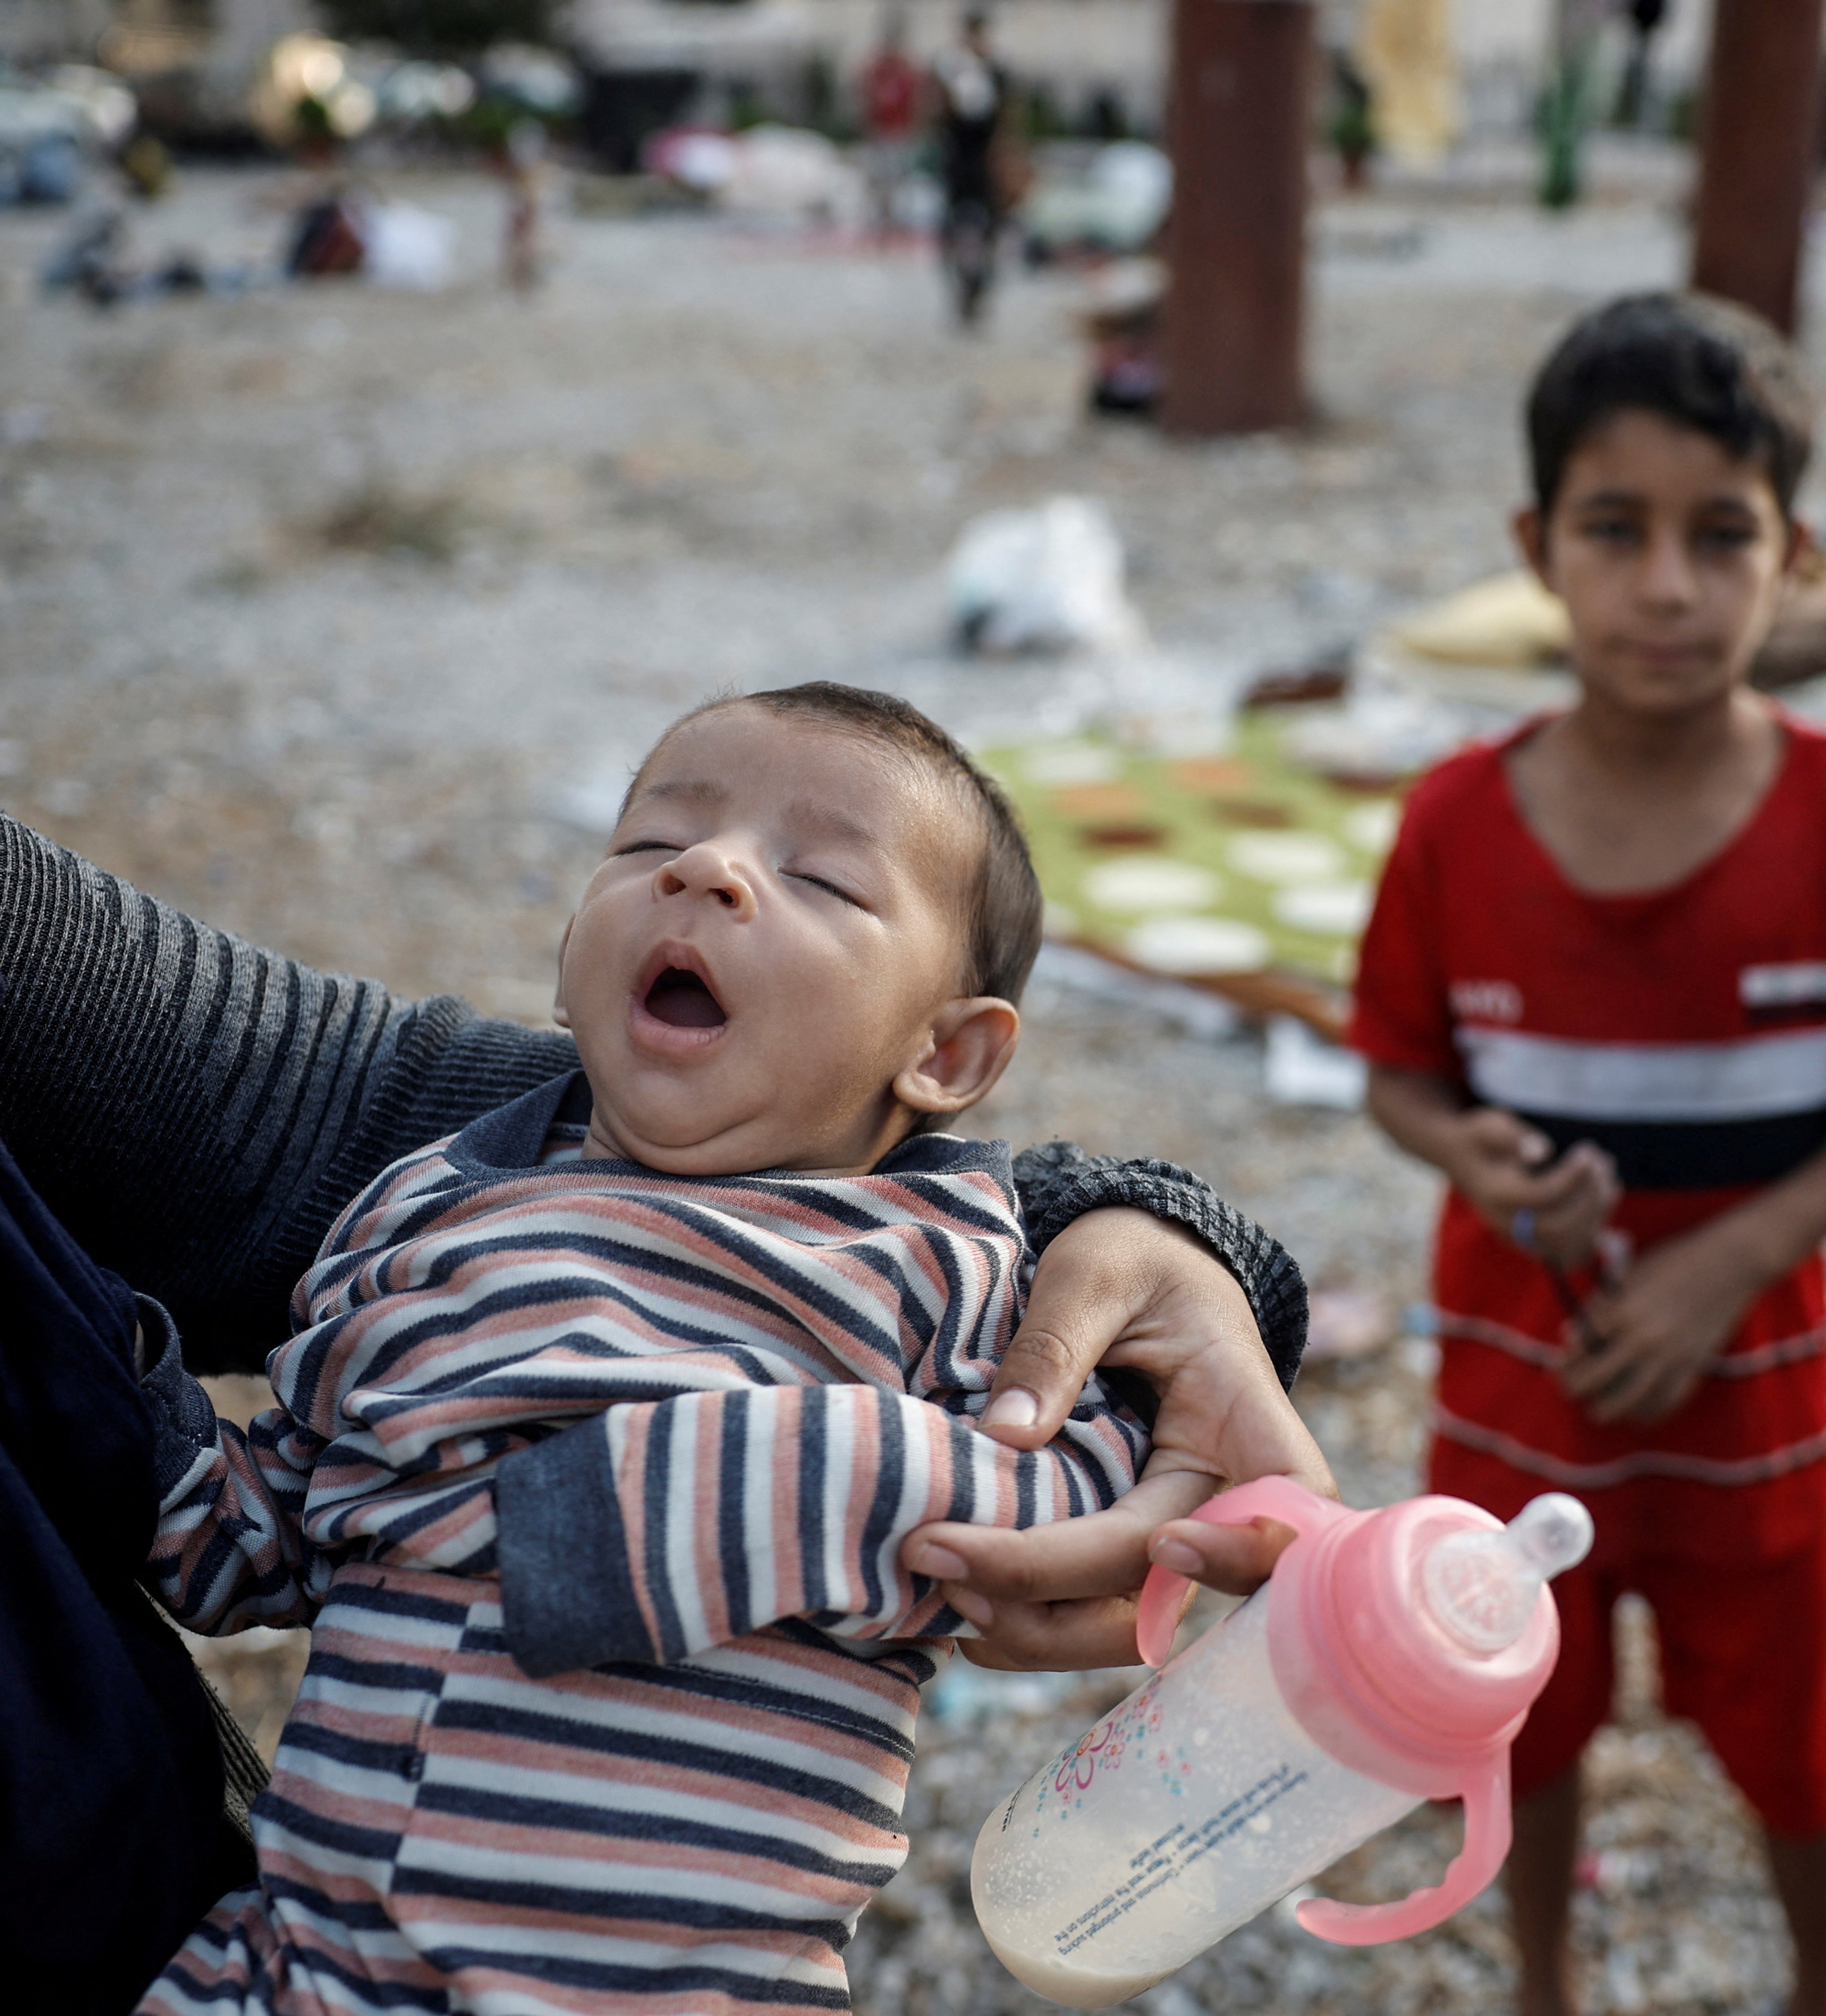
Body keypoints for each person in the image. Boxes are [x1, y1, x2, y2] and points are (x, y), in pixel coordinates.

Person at [0, 766, 1323, 2001]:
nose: (702, 869)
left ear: (948, 1058)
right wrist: (129, 1415)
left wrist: (655, 1512)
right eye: (649, 842)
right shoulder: (424, 1215)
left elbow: (1067, 1481)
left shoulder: (938, 1262)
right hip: (300, 1962)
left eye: (823, 879)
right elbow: (274, 1523)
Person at [1349, 293, 1826, 2016]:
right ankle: (1543, 1983)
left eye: (1723, 536)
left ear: (1793, 558)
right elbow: (1397, 1077)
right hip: (1515, 1396)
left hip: (1750, 1410)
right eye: (1614, 530)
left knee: (1788, 1744)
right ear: (1536, 548)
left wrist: (1725, 1262)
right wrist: (1473, 1160)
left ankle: (1823, 1986)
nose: (1666, 587)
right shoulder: (1454, 825)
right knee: (1518, 1715)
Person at [931, 9, 1023, 327]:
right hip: (958, 158)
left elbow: (1006, 117)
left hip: (985, 160)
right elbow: (938, 114)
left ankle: (980, 286)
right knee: (954, 226)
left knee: (989, 227)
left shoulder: (996, 71)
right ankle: (961, 287)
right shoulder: (950, 69)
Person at [858, 10, 927, 243]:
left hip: (900, 133)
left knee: (900, 182)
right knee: (880, 183)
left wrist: (913, 128)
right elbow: (867, 98)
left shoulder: (907, 70)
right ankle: (882, 223)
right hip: (881, 132)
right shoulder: (877, 69)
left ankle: (898, 223)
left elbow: (915, 102)